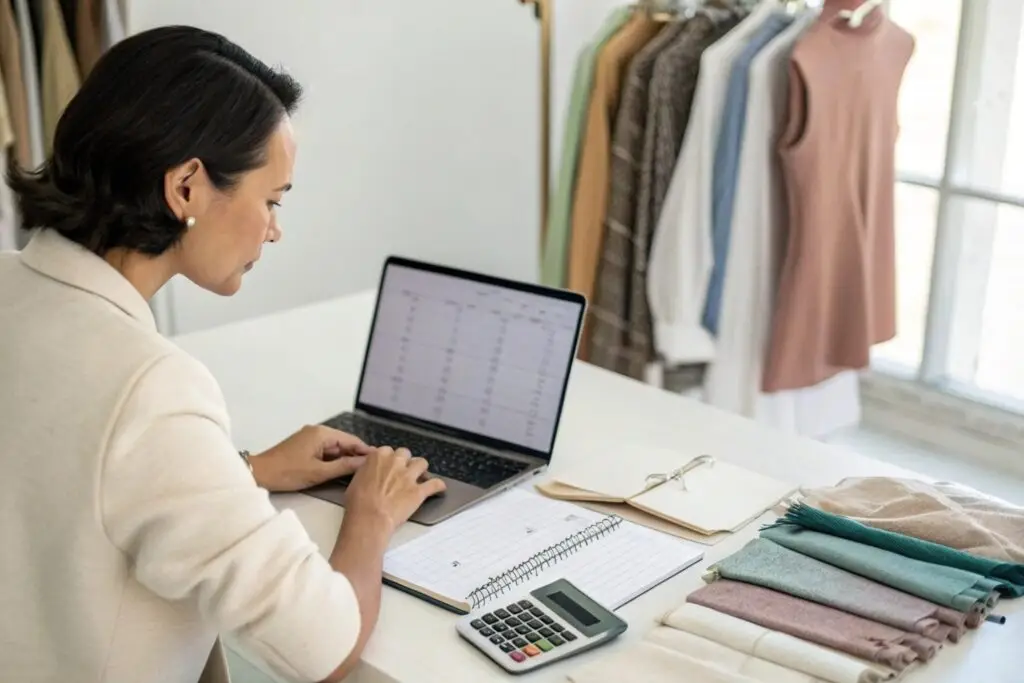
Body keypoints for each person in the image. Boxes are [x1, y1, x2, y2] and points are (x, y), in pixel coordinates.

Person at [0, 25, 445, 683]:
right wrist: (371, 517)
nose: (275, 227)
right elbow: (322, 647)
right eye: (270, 199)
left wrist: (247, 468)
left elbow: (74, 478)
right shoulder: (151, 386)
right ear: (186, 187)